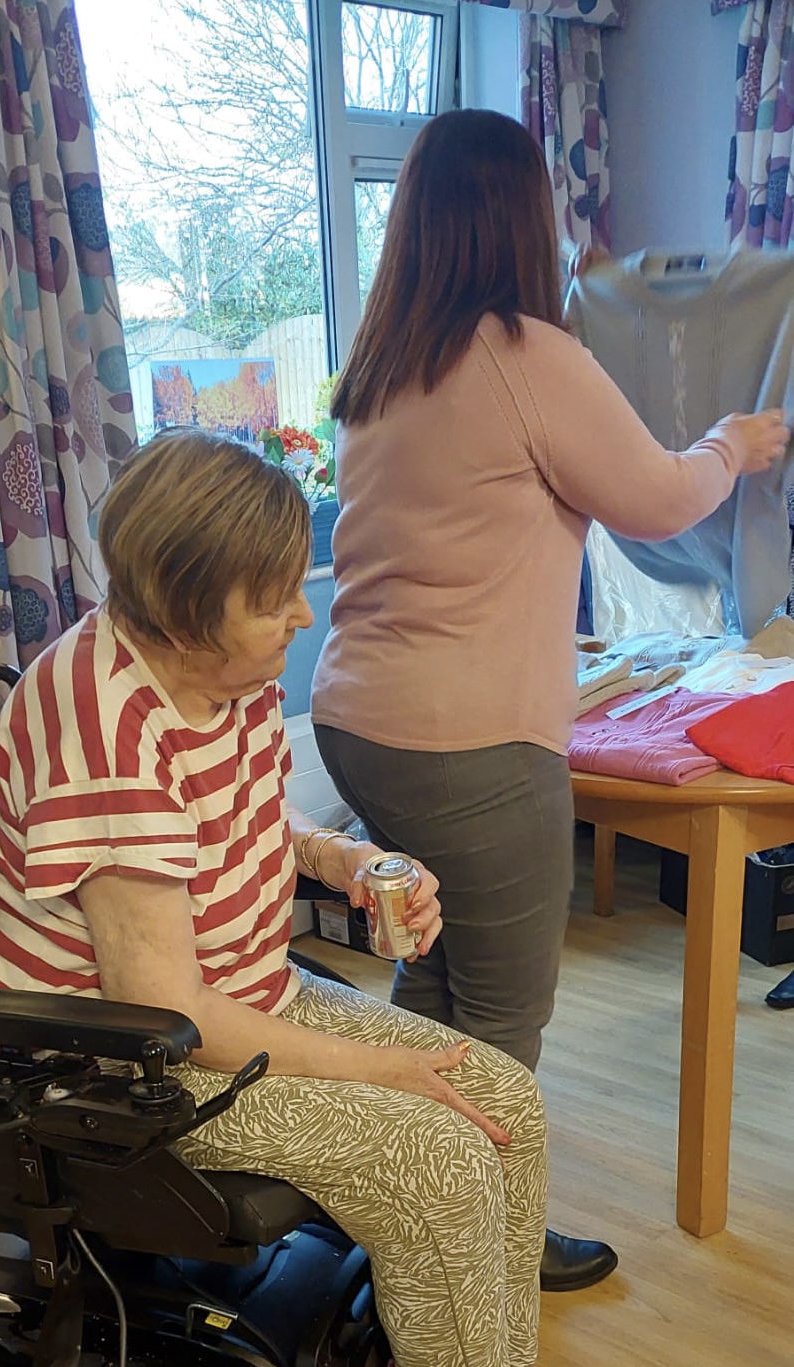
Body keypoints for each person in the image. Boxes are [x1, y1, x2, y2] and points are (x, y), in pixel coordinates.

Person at [310, 108, 790, 1291]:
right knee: (501, 1011)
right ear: (520, 215)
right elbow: (657, 498)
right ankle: (484, 1244)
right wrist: (730, 443)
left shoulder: (383, 362)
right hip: (465, 742)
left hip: (358, 720)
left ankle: (405, 1213)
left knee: (433, 976)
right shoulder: (523, 353)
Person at [0, 429, 549, 1367]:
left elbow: (245, 817)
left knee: (506, 1102)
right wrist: (377, 1070)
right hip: (123, 1063)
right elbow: (168, 1012)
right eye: (273, 597)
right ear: (185, 616)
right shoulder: (104, 731)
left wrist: (343, 858)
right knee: (438, 1158)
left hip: (246, 995)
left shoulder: (222, 672)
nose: (301, 613)